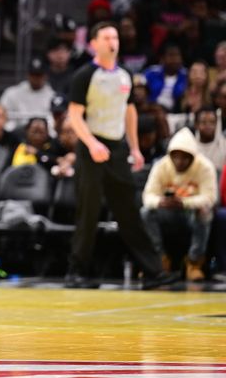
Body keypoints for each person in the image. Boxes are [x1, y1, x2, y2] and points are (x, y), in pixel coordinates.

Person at [65, 21, 178, 290]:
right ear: (93, 43)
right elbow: (74, 115)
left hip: (117, 149)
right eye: (105, 37)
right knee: (88, 212)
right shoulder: (84, 75)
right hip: (91, 147)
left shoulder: (125, 75)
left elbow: (130, 113)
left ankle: (153, 272)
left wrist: (135, 148)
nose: (112, 41)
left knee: (129, 211)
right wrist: (91, 143)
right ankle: (77, 272)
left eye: (114, 36)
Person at [141, 128, 217, 282]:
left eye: (184, 158)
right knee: (146, 212)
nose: (179, 162)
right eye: (175, 157)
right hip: (167, 213)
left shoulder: (205, 167)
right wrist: (161, 202)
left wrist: (184, 203)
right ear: (170, 155)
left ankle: (194, 264)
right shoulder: (162, 166)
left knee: (205, 212)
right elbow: (147, 195)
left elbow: (210, 197)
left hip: (190, 214)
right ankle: (160, 261)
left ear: (192, 157)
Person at [0, 57, 54, 130]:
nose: (36, 78)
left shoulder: (52, 96)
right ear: (28, 75)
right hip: (16, 135)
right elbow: (0, 115)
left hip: (43, 134)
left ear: (45, 76)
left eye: (39, 75)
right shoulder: (12, 93)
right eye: (33, 74)